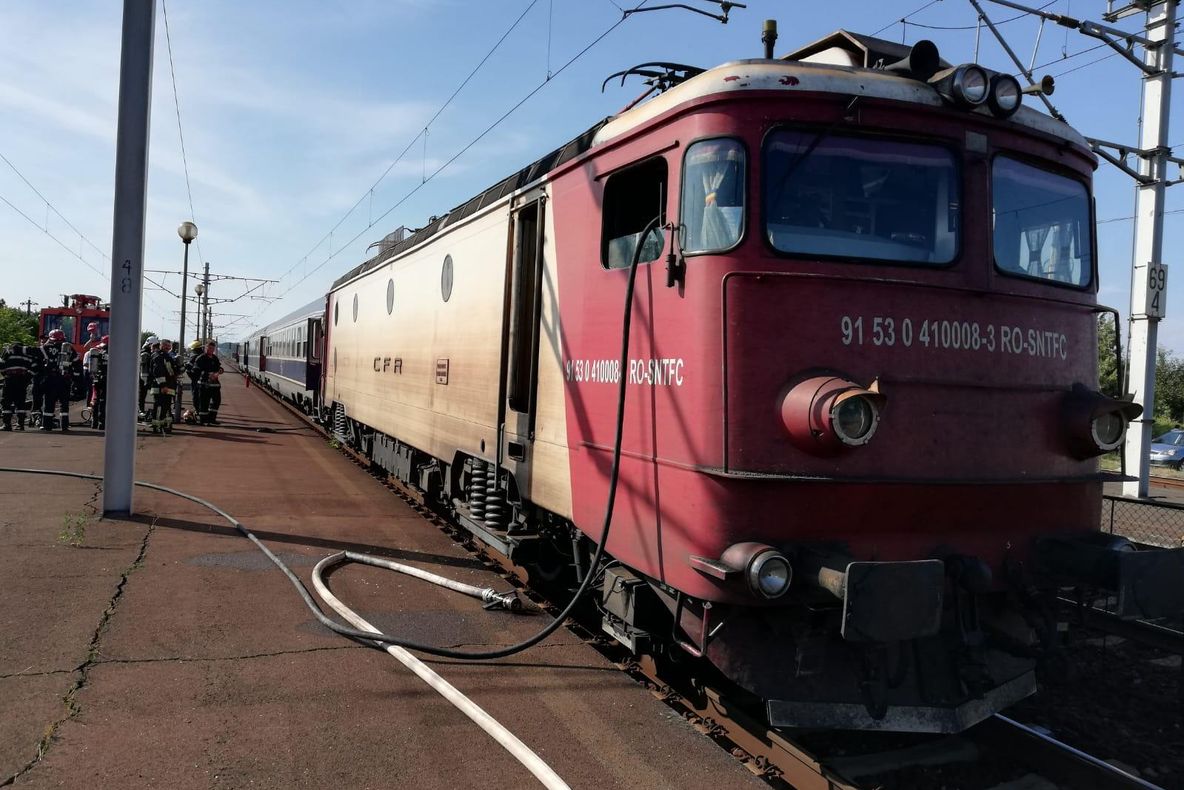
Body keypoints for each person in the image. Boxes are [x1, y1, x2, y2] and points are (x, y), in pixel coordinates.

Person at [39, 329, 78, 432]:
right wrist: (75, 378)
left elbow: (40, 356)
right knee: (64, 404)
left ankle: (47, 425)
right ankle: (64, 426)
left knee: (48, 403)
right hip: (64, 380)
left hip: (50, 380)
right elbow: (76, 361)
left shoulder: (46, 348)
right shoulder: (68, 348)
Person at [1, 341, 35, 431]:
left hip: (9, 379)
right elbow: (33, 367)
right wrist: (27, 379)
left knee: (6, 402)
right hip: (21, 380)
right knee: (20, 402)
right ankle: (20, 424)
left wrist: (5, 374)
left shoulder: (7, 352)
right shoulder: (27, 354)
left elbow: (1, 365)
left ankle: (7, 424)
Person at [148, 339, 178, 435]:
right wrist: (163, 385)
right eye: (165, 345)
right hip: (161, 387)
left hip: (168, 387)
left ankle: (165, 426)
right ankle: (157, 426)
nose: (167, 348)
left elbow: (171, 371)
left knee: (166, 407)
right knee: (159, 407)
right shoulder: (158, 356)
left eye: (169, 346)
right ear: (161, 345)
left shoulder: (167, 356)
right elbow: (158, 372)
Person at [193, 341, 224, 425]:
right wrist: (208, 374)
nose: (211, 350)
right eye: (209, 348)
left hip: (215, 385)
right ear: (205, 348)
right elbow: (196, 370)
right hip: (204, 385)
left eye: (212, 348)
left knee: (216, 401)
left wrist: (220, 370)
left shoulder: (214, 358)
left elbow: (219, 367)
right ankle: (203, 420)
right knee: (204, 402)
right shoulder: (201, 358)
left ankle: (212, 419)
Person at [85, 336, 110, 430]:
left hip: (96, 379)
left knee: (95, 400)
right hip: (107, 380)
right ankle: (102, 423)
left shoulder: (98, 353)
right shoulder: (114, 353)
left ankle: (94, 422)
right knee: (104, 401)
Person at [139, 337, 158, 420]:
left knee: (142, 394)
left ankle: (142, 410)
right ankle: (141, 410)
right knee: (143, 394)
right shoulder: (145, 354)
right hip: (146, 377)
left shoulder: (147, 353)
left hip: (146, 377)